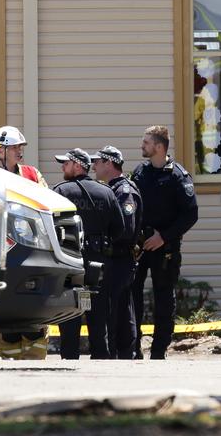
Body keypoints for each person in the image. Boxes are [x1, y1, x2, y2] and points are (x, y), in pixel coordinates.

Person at [131, 126, 198, 360]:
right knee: (133, 295)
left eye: (146, 142)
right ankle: (133, 347)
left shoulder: (178, 176)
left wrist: (164, 237)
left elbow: (190, 214)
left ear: (159, 147)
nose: (142, 146)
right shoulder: (140, 172)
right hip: (140, 246)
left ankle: (159, 351)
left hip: (165, 247)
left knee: (163, 298)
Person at [53, 148, 125, 359]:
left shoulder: (60, 191)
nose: (62, 168)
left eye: (65, 164)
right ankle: (101, 358)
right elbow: (119, 229)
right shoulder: (105, 192)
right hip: (99, 260)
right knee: (100, 315)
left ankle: (69, 357)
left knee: (69, 314)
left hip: (69, 259)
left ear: (77, 166)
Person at [0, 125, 48, 360]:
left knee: (31, 309)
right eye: (14, 147)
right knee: (5, 309)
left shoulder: (32, 175)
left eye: (20, 147)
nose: (19, 151)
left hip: (30, 249)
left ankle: (35, 360)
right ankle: (8, 356)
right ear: (0, 151)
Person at [91, 146, 142, 359]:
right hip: (114, 259)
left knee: (116, 309)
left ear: (109, 164)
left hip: (120, 259)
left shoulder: (124, 192)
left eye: (98, 162)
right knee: (119, 307)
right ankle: (122, 352)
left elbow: (126, 229)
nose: (93, 166)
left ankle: (122, 354)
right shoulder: (112, 189)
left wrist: (104, 237)